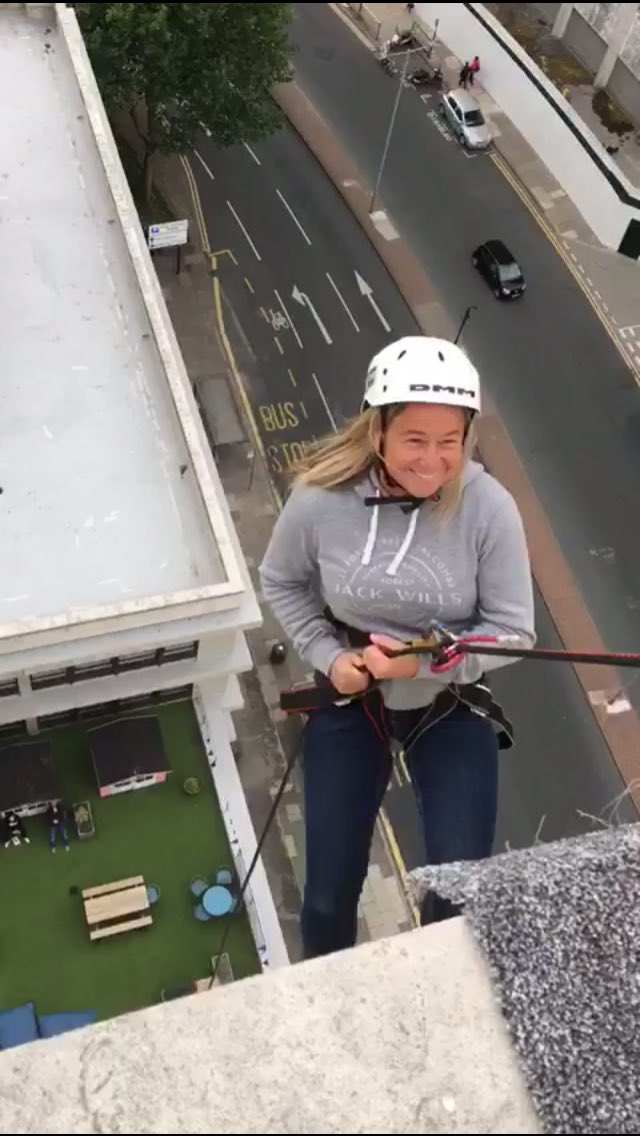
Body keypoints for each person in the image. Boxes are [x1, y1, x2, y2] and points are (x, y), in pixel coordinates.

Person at [259, 336, 535, 959]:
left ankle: (437, 984)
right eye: (415, 439)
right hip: (353, 692)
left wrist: (428, 661)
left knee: (458, 894)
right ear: (377, 430)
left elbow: (514, 630)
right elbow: (280, 579)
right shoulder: (320, 499)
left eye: (450, 441)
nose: (434, 461)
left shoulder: (489, 510)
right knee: (326, 900)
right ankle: (332, 988)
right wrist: (329, 656)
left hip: (448, 699)